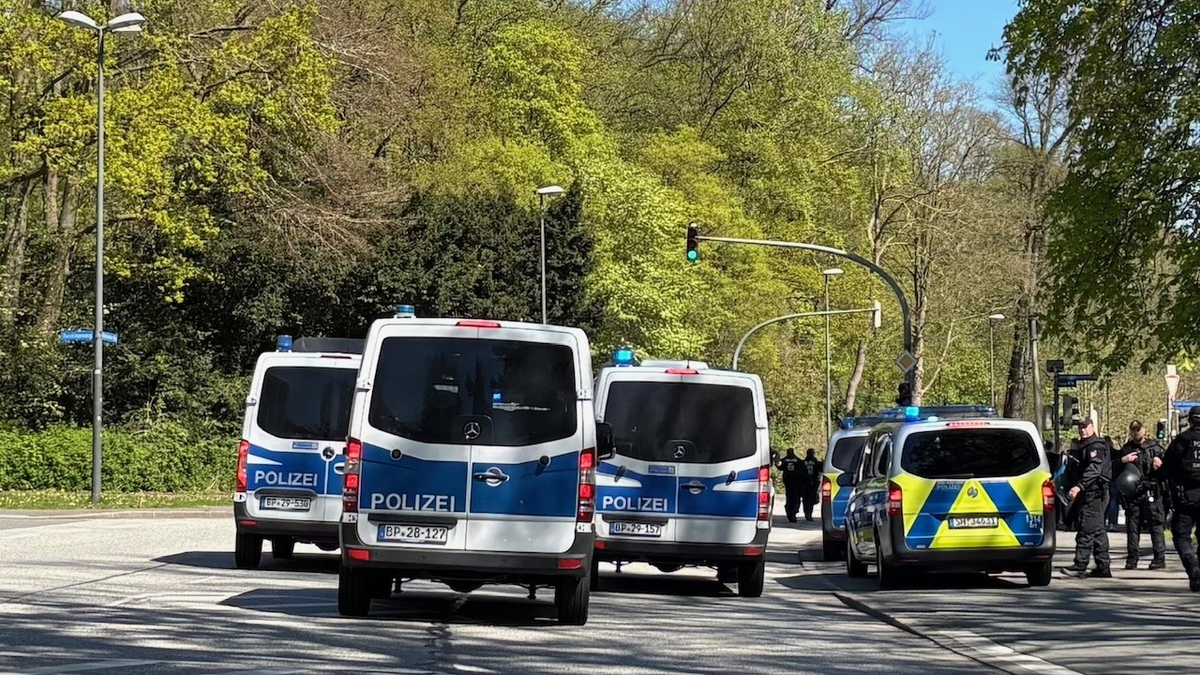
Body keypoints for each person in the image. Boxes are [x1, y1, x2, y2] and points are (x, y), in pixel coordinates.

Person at [1060, 418, 1113, 579]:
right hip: (1092, 493)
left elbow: (1094, 470)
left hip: (1093, 493)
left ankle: (1080, 565)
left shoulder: (1095, 446)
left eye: (1085, 427)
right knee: (1098, 530)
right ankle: (1103, 566)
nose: (1082, 430)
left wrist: (1079, 486)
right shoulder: (1085, 446)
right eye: (1080, 427)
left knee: (1086, 529)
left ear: (1092, 427)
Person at [1117, 421, 1167, 570]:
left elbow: (1168, 471)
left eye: (1138, 430)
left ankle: (1159, 558)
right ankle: (1132, 559)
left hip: (1151, 490)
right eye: (1133, 430)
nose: (1136, 433)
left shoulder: (1155, 448)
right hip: (1133, 493)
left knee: (1155, 525)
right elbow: (1114, 468)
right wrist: (1123, 460)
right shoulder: (1127, 449)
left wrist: (1161, 465)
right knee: (1133, 527)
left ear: (1144, 430)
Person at [1161, 406, 1200, 592]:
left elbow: (1167, 467)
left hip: (1186, 496)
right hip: (1188, 494)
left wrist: (1154, 476)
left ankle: (1193, 567)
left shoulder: (1182, 440)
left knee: (1181, 535)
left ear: (1190, 420)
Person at [776, 448, 803, 522]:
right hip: (796, 482)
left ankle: (789, 513)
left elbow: (779, 467)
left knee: (789, 497)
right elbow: (803, 468)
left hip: (787, 481)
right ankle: (793, 513)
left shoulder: (784, 460)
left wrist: (776, 461)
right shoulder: (798, 460)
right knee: (795, 498)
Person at [1105, 435, 1123, 532]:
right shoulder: (1116, 453)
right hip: (1114, 478)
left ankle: (1103, 522)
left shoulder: (1102, 453)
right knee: (1113, 500)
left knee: (1105, 501)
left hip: (1105, 478)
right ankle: (1112, 523)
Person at [800, 448, 821, 521]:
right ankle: (809, 514)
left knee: (805, 499)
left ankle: (806, 513)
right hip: (813, 483)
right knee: (811, 499)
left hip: (804, 483)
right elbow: (821, 469)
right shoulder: (816, 462)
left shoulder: (803, 462)